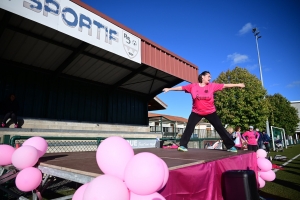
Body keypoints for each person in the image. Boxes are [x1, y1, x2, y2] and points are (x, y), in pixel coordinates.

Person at [162, 71, 245, 152]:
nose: (210, 78)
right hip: (196, 112)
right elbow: (181, 88)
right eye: (208, 76)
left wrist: (238, 85)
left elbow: (225, 85)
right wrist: (169, 89)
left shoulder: (212, 86)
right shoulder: (193, 86)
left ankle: (230, 146)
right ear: (202, 76)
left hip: (210, 112)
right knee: (189, 127)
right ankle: (183, 145)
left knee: (220, 127)